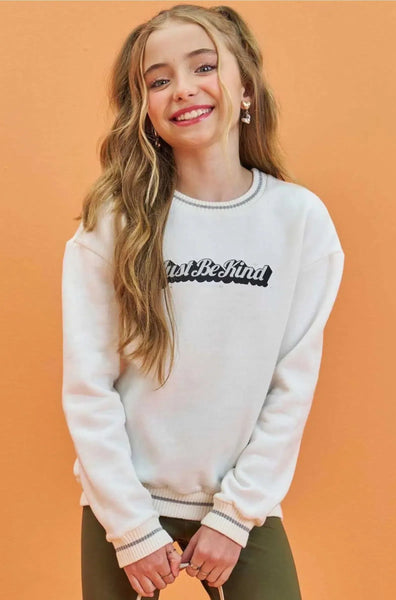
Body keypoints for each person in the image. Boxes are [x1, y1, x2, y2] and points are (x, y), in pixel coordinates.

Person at [61, 4, 345, 600]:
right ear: (144, 108)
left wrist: (235, 516)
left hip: (240, 507)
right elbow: (88, 387)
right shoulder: (112, 223)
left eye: (204, 66)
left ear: (246, 88)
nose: (183, 89)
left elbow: (291, 386)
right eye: (158, 79)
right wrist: (132, 528)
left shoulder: (299, 221)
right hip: (125, 509)